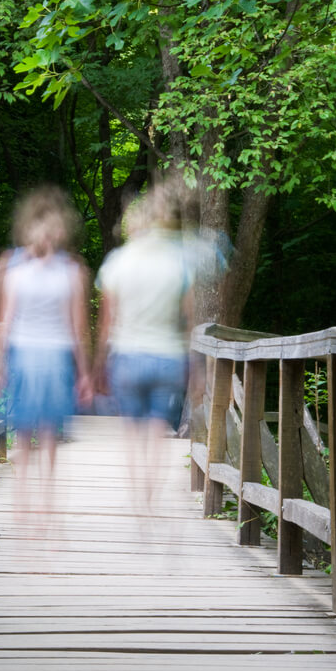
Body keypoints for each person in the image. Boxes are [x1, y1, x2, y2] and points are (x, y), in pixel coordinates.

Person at [0, 185, 92, 519]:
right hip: (23, 352)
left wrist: (84, 373)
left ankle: (45, 497)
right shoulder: (13, 268)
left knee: (49, 429)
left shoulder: (70, 271)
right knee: (23, 427)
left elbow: (78, 326)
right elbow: (4, 319)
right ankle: (23, 495)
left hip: (55, 355)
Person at [94, 186, 194, 511]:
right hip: (167, 357)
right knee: (155, 426)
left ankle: (138, 489)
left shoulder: (117, 262)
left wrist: (98, 365)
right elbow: (187, 319)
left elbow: (107, 321)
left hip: (127, 356)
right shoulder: (179, 262)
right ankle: (151, 488)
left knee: (133, 427)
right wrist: (196, 364)